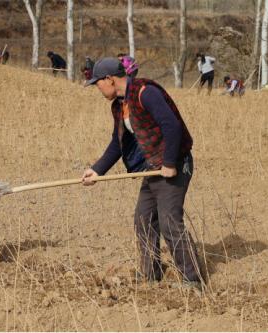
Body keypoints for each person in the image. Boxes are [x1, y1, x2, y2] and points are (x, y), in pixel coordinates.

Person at [82, 58, 203, 291]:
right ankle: (151, 273)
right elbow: (117, 144)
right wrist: (97, 170)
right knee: (143, 219)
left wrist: (169, 162)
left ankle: (193, 279)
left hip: (174, 164)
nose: (97, 88)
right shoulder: (119, 105)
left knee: (169, 221)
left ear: (109, 79)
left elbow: (172, 126)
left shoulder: (145, 93)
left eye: (98, 83)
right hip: (154, 167)